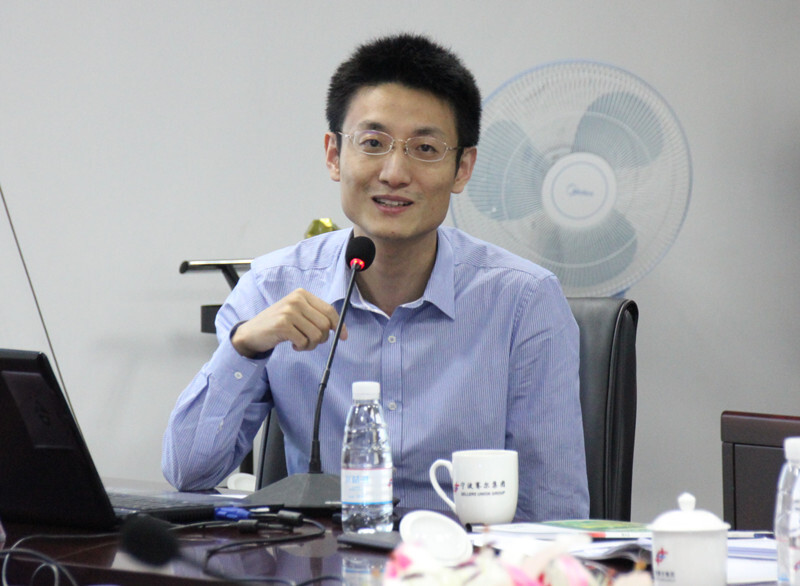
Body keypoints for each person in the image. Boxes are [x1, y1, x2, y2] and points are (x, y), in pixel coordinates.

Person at [162, 33, 589, 521]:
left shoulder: (524, 301)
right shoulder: (270, 287)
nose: (394, 172)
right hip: (320, 556)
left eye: (425, 148)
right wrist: (245, 347)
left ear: (462, 168)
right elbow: (187, 473)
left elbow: (553, 511)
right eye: (372, 143)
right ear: (333, 155)